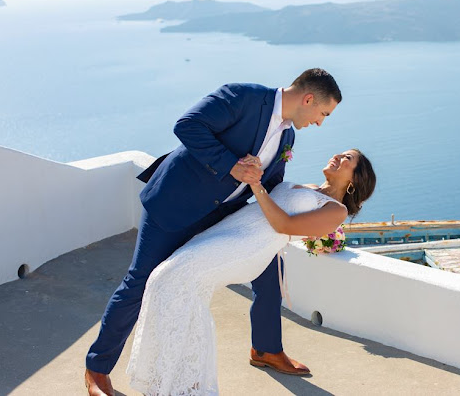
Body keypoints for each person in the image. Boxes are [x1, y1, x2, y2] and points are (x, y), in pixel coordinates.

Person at [85, 69, 342, 396]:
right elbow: (188, 125)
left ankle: (265, 349)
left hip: (221, 214)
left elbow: (270, 185)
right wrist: (233, 165)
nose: (321, 122)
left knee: (269, 266)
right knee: (139, 282)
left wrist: (308, 205)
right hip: (174, 203)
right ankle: (97, 369)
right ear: (308, 99)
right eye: (323, 113)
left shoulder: (288, 137)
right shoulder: (244, 96)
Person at [126, 149, 376, 395]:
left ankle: (186, 385)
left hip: (246, 247)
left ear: (355, 181)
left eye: (348, 159)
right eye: (341, 153)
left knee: (172, 278)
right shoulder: (309, 187)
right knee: (166, 281)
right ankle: (170, 378)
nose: (338, 156)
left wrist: (256, 185)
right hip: (228, 230)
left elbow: (283, 225)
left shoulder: (336, 210)